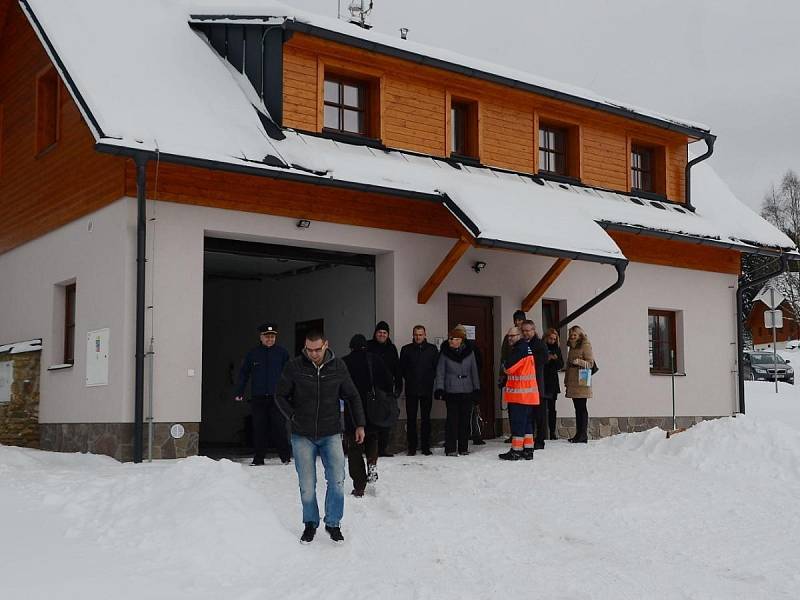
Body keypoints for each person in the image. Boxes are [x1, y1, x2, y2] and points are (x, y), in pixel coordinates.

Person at [275, 331, 365, 544]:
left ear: (326, 345)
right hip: (302, 435)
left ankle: (333, 523)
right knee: (307, 483)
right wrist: (293, 416)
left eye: (317, 349)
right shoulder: (294, 367)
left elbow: (352, 395)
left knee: (337, 480)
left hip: (331, 432)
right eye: (309, 350)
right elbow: (280, 395)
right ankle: (310, 523)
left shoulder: (338, 367)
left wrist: (359, 424)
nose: (313, 354)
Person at [343, 334, 395, 496]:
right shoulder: (375, 360)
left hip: (352, 409)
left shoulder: (344, 362)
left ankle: (359, 486)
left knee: (355, 446)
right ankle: (372, 463)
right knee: (372, 437)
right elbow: (388, 381)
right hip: (373, 407)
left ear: (351, 346)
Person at [234, 323, 291, 466]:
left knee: (279, 427)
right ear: (261, 337)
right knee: (259, 428)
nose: (270, 339)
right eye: (267, 336)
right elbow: (244, 374)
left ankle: (285, 457)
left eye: (272, 337)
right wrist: (239, 391)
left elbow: (290, 375)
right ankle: (258, 458)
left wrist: (290, 393)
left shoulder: (282, 353)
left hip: (277, 397)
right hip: (258, 397)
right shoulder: (253, 354)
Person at [434, 328, 480, 456]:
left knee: (465, 420)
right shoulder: (445, 353)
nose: (450, 341)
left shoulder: (469, 353)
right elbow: (440, 372)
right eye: (449, 339)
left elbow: (474, 372)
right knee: (452, 421)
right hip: (451, 390)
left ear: (460, 340)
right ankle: (450, 448)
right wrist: (439, 388)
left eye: (453, 339)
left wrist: (476, 389)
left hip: (467, 389)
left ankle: (463, 447)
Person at [498, 327, 539, 461]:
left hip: (519, 395)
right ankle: (528, 450)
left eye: (512, 336)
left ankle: (516, 451)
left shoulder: (519, 349)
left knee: (518, 424)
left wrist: (504, 365)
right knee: (527, 424)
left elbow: (509, 368)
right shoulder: (527, 348)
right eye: (508, 336)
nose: (510, 338)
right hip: (528, 395)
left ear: (520, 336)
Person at [399, 325, 439, 456]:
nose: (418, 337)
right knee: (411, 420)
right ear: (413, 335)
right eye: (416, 334)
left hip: (427, 389)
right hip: (411, 389)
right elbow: (402, 369)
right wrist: (410, 378)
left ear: (425, 335)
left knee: (426, 419)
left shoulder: (432, 349)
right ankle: (412, 447)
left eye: (420, 334)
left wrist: (429, 379)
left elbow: (436, 368)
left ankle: (426, 446)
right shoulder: (406, 350)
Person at [367, 321, 401, 457]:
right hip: (371, 389)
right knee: (371, 419)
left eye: (384, 333)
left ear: (388, 335)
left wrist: (398, 388)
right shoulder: (368, 346)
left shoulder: (392, 348)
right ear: (375, 333)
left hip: (387, 390)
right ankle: (370, 449)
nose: (382, 335)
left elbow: (397, 370)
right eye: (379, 332)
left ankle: (383, 448)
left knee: (386, 419)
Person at [564, 325, 595, 444]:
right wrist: (566, 380)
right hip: (573, 381)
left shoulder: (585, 345)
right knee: (577, 408)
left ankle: (583, 435)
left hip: (582, 380)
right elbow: (568, 365)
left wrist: (579, 362)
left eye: (574, 335)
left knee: (582, 408)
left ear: (580, 335)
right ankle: (578, 434)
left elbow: (590, 363)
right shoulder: (571, 347)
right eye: (571, 335)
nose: (572, 337)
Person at [520, 320, 548, 449]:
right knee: (528, 415)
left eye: (527, 330)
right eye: (523, 331)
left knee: (539, 415)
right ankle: (529, 439)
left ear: (533, 330)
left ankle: (540, 440)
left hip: (536, 385)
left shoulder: (539, 344)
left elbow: (541, 360)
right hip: (524, 386)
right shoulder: (521, 344)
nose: (525, 333)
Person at [500, 310, 527, 442]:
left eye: (520, 320)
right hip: (510, 378)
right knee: (512, 409)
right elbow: (503, 357)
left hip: (525, 382)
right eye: (516, 320)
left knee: (525, 411)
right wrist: (502, 375)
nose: (518, 322)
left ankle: (524, 437)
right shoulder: (507, 338)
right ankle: (514, 434)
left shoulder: (527, 338)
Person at [543, 328, 564, 440]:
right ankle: (541, 431)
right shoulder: (542, 347)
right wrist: (547, 359)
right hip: (542, 379)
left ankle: (552, 432)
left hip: (552, 381)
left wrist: (555, 360)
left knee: (552, 408)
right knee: (541, 407)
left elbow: (561, 364)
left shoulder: (557, 349)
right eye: (550, 338)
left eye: (554, 339)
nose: (552, 340)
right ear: (546, 337)